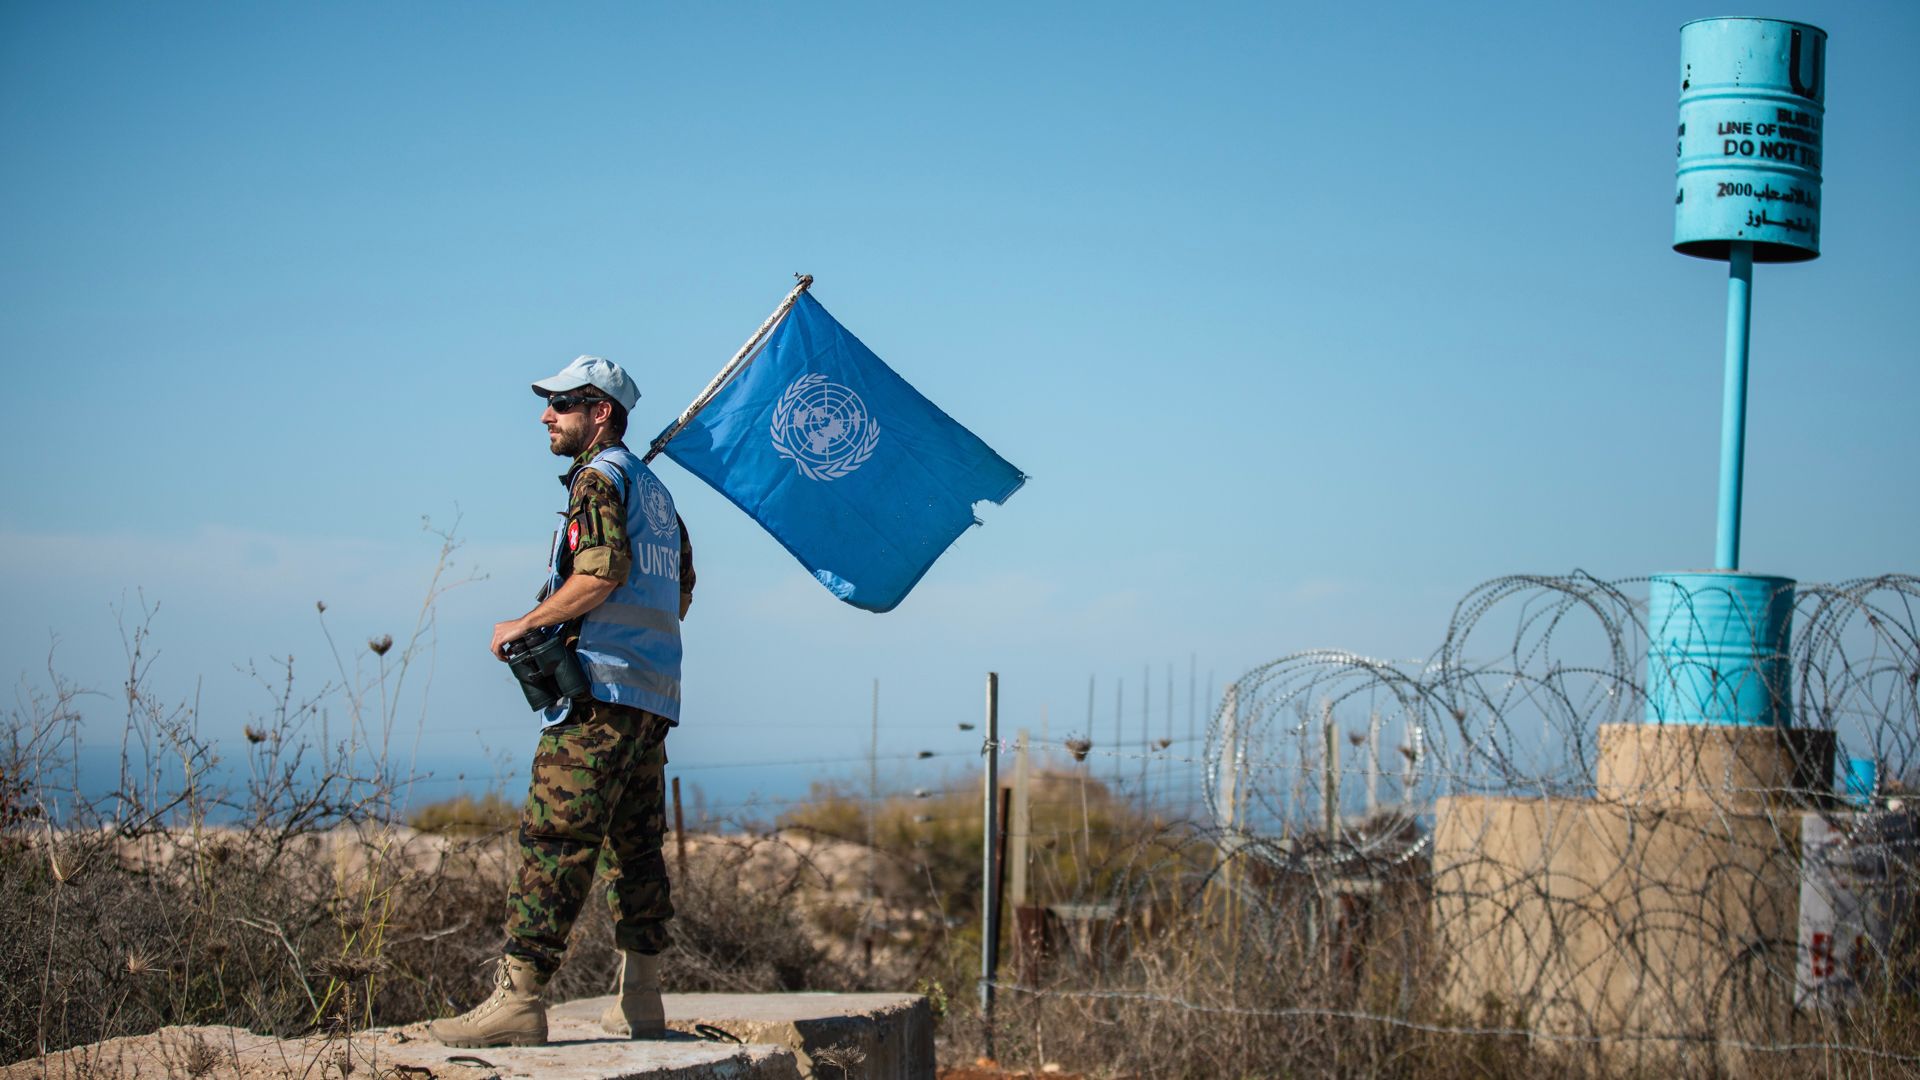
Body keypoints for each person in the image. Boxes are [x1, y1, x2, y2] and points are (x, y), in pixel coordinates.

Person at [428, 355, 694, 1049]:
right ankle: (641, 998)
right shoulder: (657, 493)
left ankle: (519, 1000)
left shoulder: (599, 480)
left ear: (600, 412)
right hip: (651, 697)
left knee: (556, 840)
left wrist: (529, 623)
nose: (547, 416)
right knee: (636, 847)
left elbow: (600, 571)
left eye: (562, 405)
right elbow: (683, 589)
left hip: (599, 693)